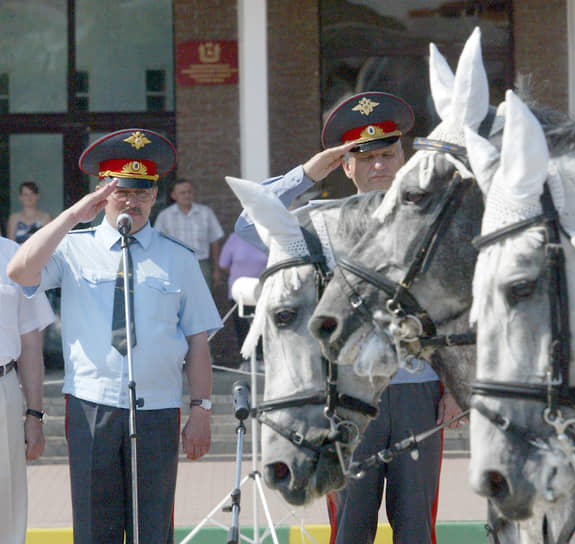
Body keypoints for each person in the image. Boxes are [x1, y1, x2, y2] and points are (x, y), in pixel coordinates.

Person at [235, 92, 464, 544]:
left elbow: (452, 310)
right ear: (346, 165)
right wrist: (307, 173)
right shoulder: (321, 224)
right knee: (350, 528)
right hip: (347, 400)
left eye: (388, 154)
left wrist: (455, 388)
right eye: (367, 157)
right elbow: (249, 222)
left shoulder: (427, 220)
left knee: (417, 527)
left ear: (402, 158)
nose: (379, 165)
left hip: (417, 390)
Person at [7, 128, 223, 544]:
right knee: (93, 528)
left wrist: (201, 410)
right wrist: (71, 216)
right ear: (103, 193)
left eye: (142, 192)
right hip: (91, 407)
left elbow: (198, 339)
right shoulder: (73, 248)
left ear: (155, 194)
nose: (133, 202)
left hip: (158, 408)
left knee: (152, 528)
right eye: (122, 191)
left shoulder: (177, 258)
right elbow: (19, 271)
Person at [0, 236, 54, 544]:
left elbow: (31, 345)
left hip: (3, 387)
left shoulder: (16, 258)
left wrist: (34, 414)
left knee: (6, 504)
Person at [154, 178, 225, 290]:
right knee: (177, 301)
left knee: (203, 300)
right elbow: (157, 243)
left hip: (201, 264)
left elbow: (215, 241)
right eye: (183, 193)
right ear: (174, 195)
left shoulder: (206, 213)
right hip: (175, 266)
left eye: (189, 192)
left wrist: (216, 269)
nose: (187, 195)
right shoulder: (164, 216)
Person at [218, 231, 268, 365]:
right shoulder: (234, 238)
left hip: (263, 292)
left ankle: (263, 360)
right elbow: (224, 264)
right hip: (239, 292)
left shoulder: (267, 237)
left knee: (263, 328)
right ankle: (245, 361)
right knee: (242, 327)